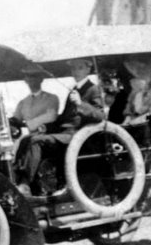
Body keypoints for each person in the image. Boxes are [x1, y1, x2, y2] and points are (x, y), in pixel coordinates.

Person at [18, 58, 106, 194]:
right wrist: (47, 127)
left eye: (80, 68)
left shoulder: (93, 89)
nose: (76, 71)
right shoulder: (75, 89)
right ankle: (30, 185)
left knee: (36, 141)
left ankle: (25, 184)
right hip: (64, 133)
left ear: (88, 69)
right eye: (74, 68)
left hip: (76, 136)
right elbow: (64, 119)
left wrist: (80, 104)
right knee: (27, 139)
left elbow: (100, 116)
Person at [10, 65, 59, 135]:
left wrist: (28, 125)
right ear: (25, 80)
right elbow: (15, 121)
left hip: (46, 137)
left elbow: (51, 116)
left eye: (34, 76)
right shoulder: (23, 103)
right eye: (28, 76)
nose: (31, 79)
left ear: (41, 79)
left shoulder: (51, 98)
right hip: (27, 138)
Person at [121, 56, 151, 125]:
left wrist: (137, 120)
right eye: (137, 70)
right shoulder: (135, 89)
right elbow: (129, 108)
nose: (139, 72)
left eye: (143, 70)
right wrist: (128, 117)